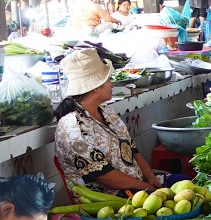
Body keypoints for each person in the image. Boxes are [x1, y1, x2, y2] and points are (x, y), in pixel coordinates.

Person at [54, 50, 176, 192]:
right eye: (108, 80)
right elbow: (105, 177)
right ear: (95, 87)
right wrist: (148, 189)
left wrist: (150, 176)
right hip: (110, 197)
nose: (112, 84)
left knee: (183, 182)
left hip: (137, 184)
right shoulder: (73, 128)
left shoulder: (106, 112)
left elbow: (131, 148)